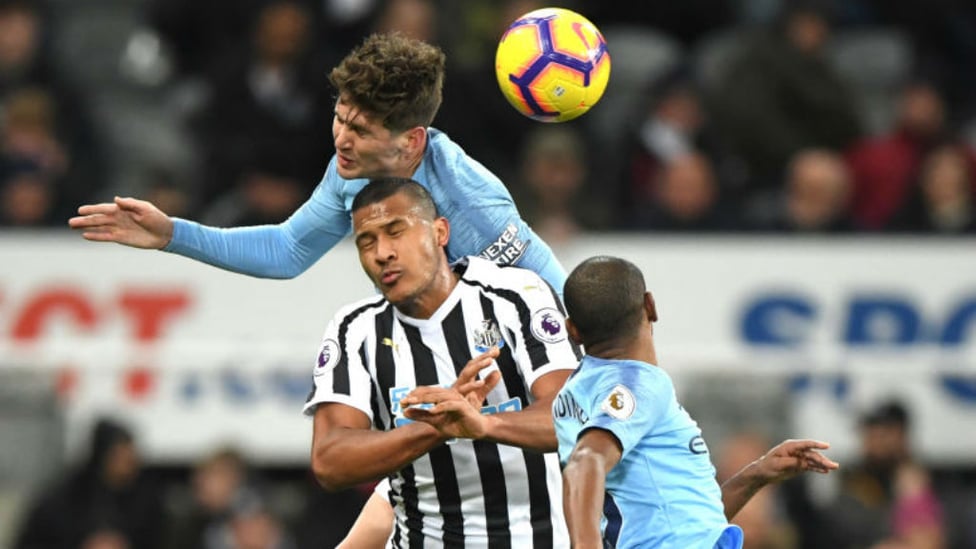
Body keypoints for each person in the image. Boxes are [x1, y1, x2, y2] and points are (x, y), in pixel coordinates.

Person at [68, 32, 567, 291]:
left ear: (411, 142)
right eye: (339, 119)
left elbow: (552, 303)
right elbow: (287, 250)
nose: (341, 140)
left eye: (361, 130)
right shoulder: (353, 171)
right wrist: (173, 235)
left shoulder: (474, 209)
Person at [304, 177, 580, 546]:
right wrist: (437, 428)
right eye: (366, 242)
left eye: (395, 231)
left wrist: (482, 424)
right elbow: (329, 461)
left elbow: (573, 417)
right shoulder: (355, 329)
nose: (381, 253)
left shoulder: (514, 296)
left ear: (439, 232)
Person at [553, 256, 840, 548]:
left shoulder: (574, 396)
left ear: (572, 330)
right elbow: (584, 463)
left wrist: (757, 473)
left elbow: (686, 527)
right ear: (650, 305)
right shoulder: (638, 384)